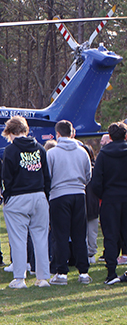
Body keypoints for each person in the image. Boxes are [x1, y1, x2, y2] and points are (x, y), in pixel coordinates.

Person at [1, 116, 52, 289]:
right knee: (41, 238)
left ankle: (20, 278)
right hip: (39, 195)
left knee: (18, 239)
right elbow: (47, 176)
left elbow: (6, 177)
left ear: (10, 132)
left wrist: (6, 196)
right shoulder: (40, 149)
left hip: (18, 196)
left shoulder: (10, 150)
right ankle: (43, 277)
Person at [46, 120, 92, 285]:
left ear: (57, 134)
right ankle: (84, 272)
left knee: (61, 235)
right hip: (79, 194)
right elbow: (88, 175)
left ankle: (61, 272)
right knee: (80, 235)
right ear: (72, 132)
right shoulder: (82, 152)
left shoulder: (52, 153)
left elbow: (48, 176)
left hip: (59, 195)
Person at [92, 123, 127, 284]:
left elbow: (96, 181)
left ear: (110, 137)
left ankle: (111, 272)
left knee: (111, 236)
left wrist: (103, 195)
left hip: (110, 199)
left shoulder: (104, 155)